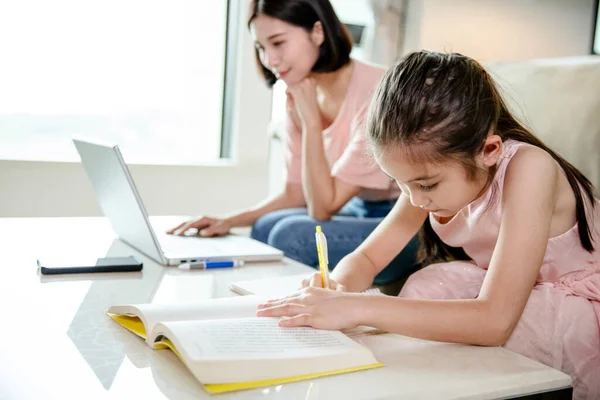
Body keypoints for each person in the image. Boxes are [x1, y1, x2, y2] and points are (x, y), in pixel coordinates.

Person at [255, 51, 600, 399]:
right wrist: (337, 287)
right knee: (428, 283)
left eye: (426, 185)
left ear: (490, 150)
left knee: (516, 329)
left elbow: (495, 321)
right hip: (508, 287)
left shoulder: (530, 167)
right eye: (400, 183)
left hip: (574, 298)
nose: (415, 199)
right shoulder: (421, 177)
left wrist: (356, 307)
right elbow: (370, 258)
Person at [168, 0, 420, 285]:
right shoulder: (302, 93)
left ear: (317, 32)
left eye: (278, 43)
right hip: (356, 209)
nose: (270, 59)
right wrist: (229, 220)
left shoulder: (377, 92)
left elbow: (322, 208)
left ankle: (302, 316)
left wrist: (312, 123)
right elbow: (297, 193)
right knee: (264, 225)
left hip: (404, 222)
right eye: (261, 47)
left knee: (290, 235)